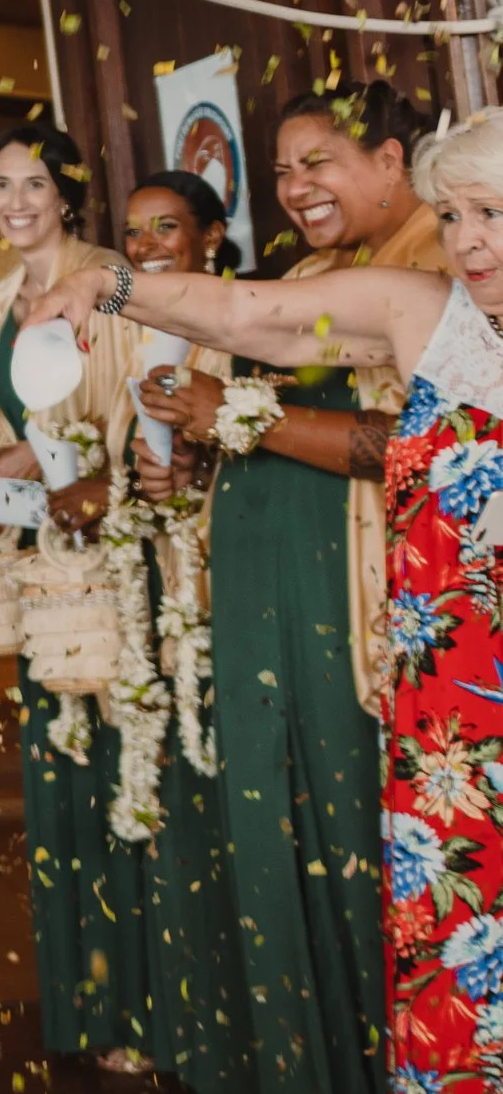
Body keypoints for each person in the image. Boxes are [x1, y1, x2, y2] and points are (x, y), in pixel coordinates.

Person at [28, 105, 503, 1092]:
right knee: (466, 951)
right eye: (454, 215)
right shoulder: (431, 313)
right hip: (454, 708)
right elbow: (251, 316)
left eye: (491, 213)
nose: (467, 240)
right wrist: (107, 284)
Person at [137, 85, 438, 1094]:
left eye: (318, 162)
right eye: (280, 170)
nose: (295, 186)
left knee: (365, 826)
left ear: (390, 159)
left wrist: (237, 414)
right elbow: (248, 384)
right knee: (293, 825)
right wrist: (196, 442)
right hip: (277, 600)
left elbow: (412, 443)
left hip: (366, 598)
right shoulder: (310, 275)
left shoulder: (436, 265)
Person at [0, 123, 152, 1071]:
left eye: (34, 183)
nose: (16, 201)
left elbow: (133, 408)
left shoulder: (108, 279)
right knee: (63, 770)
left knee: (124, 762)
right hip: (48, 560)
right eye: (1, 185)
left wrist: (62, 464)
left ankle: (148, 1010)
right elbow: (14, 431)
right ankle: (89, 1004)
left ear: (68, 193)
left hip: (114, 546)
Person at [101, 173, 257, 1094]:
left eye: (168, 227)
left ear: (211, 234)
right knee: (173, 814)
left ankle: (244, 1033)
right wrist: (144, 477)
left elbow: (256, 445)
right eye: (134, 231)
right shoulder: (137, 332)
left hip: (226, 600)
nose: (150, 244)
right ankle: (192, 1028)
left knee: (226, 805)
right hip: (161, 594)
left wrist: (199, 473)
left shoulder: (243, 323)